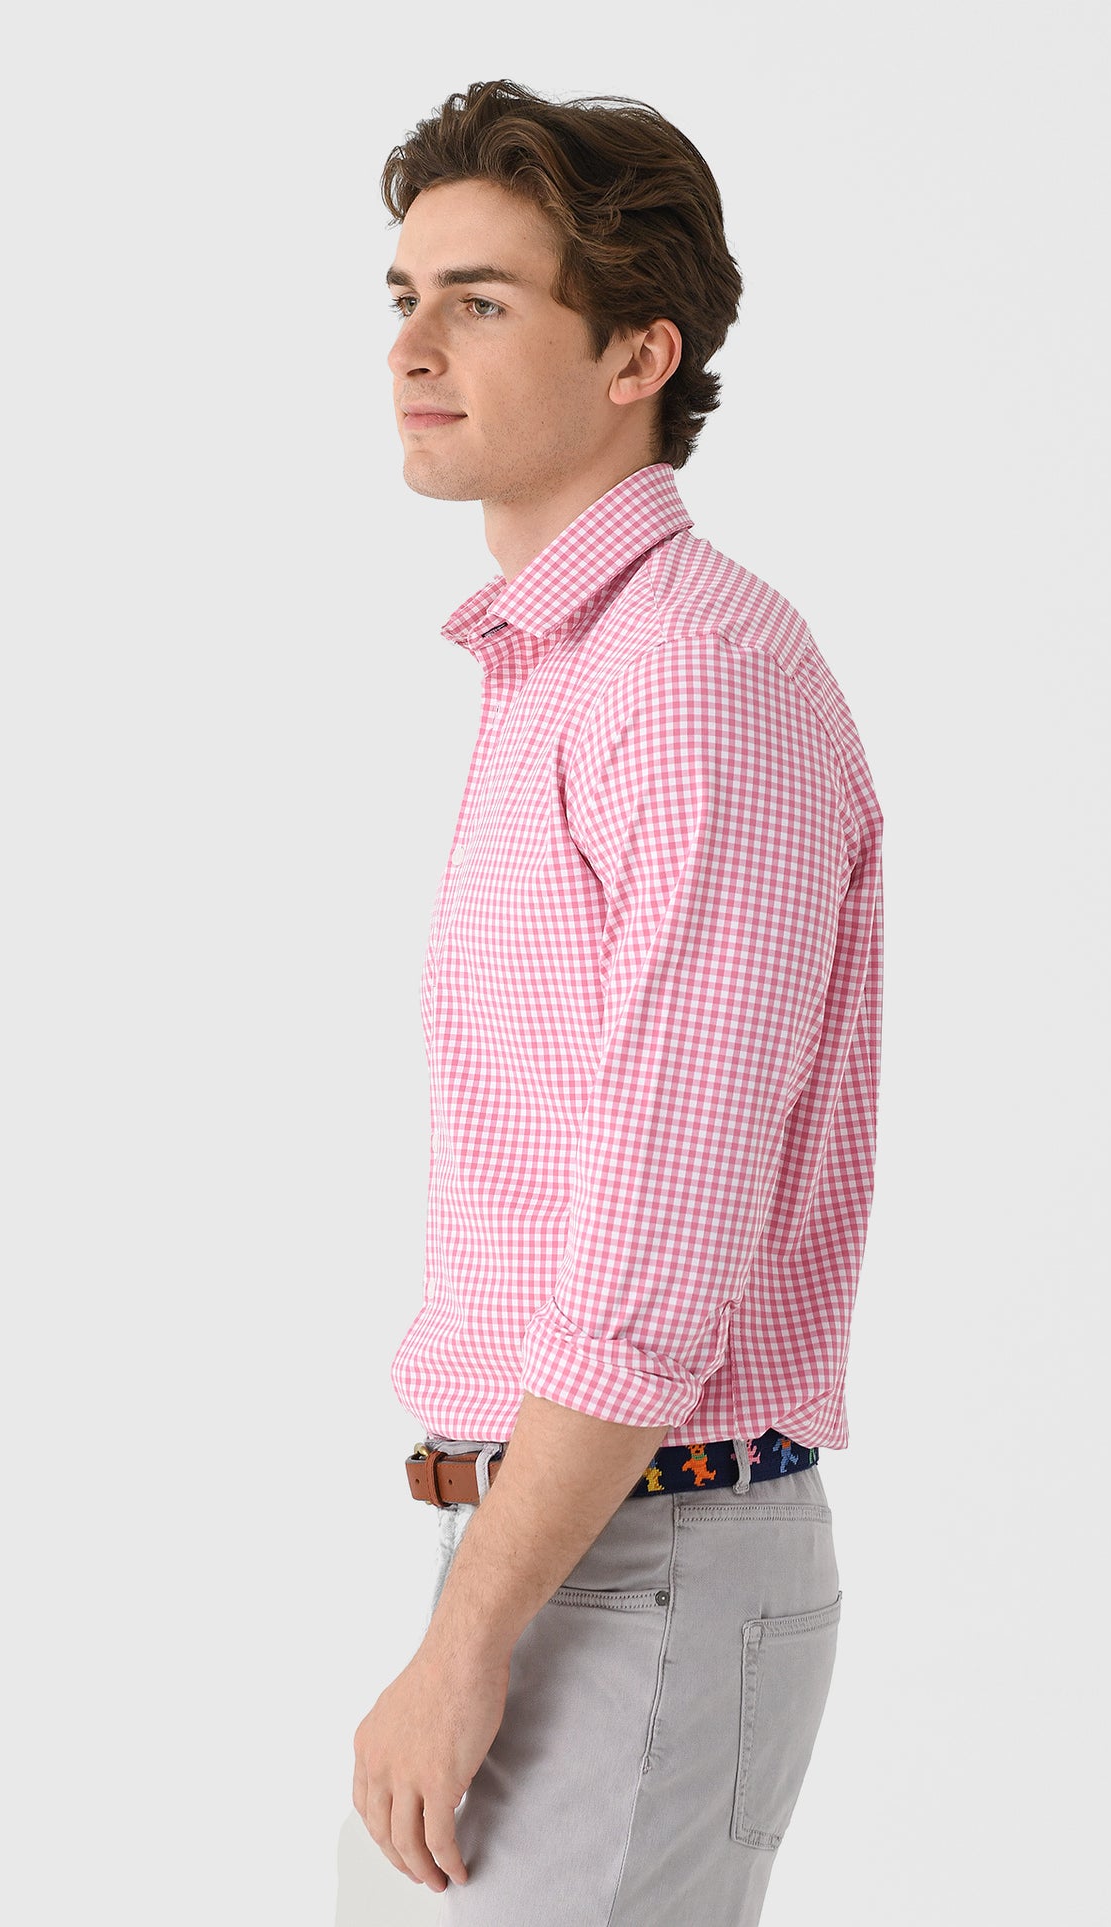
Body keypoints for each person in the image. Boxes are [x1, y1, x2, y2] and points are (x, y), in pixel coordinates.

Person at [351, 77, 884, 1925]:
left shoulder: (691, 679)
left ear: (637, 355)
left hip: (633, 1560)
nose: (412, 347)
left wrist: (470, 1637)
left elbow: (662, 1231)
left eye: (482, 301)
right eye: (403, 295)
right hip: (551, 1546)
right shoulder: (568, 672)